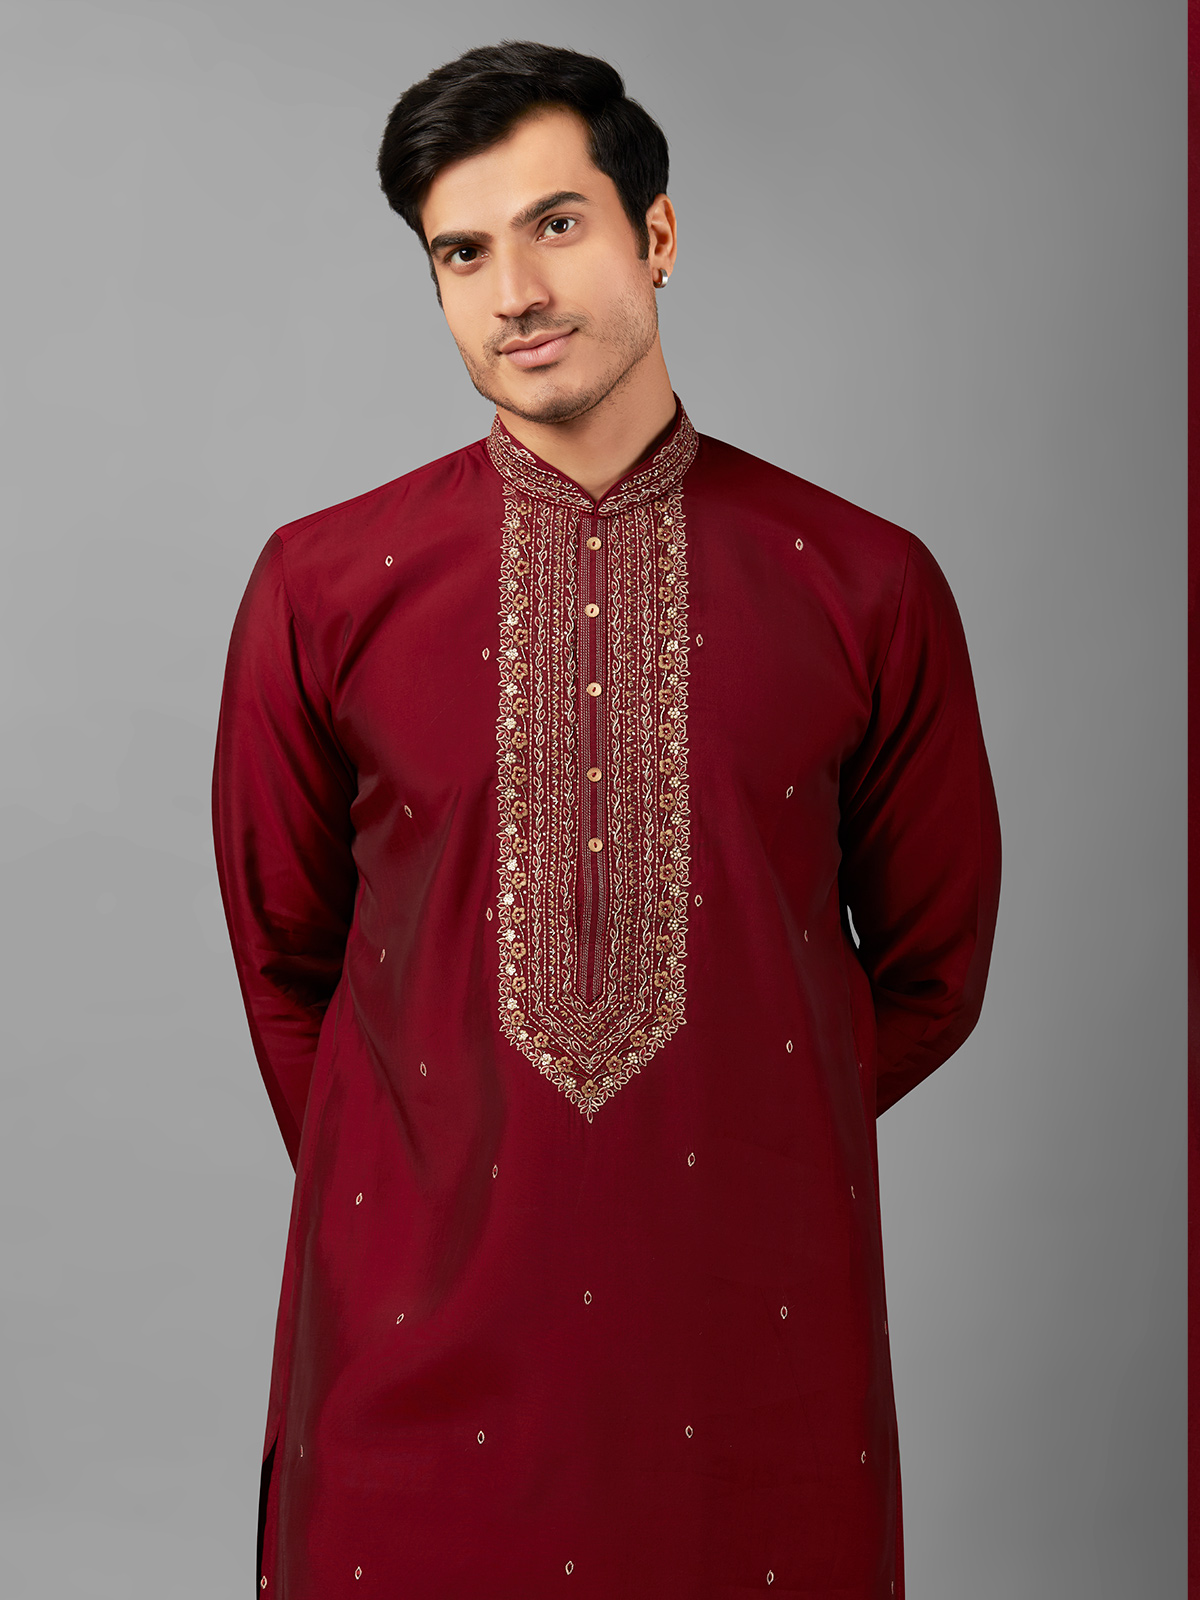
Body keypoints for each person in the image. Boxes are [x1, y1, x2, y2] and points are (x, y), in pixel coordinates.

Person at [213, 39, 1001, 1600]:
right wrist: (427, 1185)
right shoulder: (324, 587)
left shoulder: (864, 585)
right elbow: (286, 966)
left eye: (556, 225)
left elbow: (934, 972)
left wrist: (743, 1128)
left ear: (657, 234)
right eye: (461, 253)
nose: (513, 291)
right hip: (406, 1355)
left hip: (754, 1357)